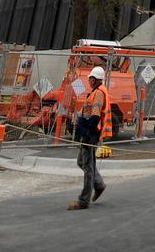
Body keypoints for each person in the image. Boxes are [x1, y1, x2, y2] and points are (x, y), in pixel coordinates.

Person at [67, 65, 108, 210]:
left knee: (87, 167)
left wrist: (86, 131)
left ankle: (83, 201)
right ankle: (99, 184)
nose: (89, 80)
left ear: (96, 79)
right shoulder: (95, 91)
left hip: (91, 133)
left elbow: (95, 116)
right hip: (90, 132)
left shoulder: (98, 93)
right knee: (82, 162)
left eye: (91, 78)